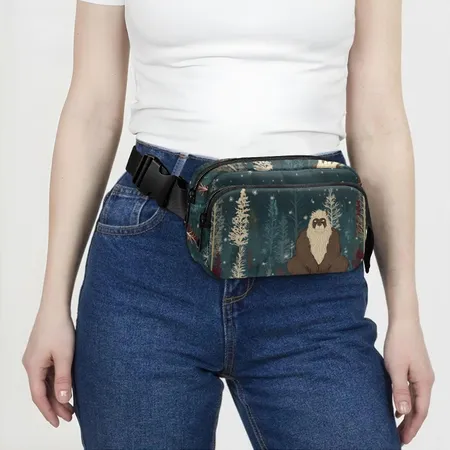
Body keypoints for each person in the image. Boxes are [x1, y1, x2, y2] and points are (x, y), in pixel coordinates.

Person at [22, 0, 435, 448]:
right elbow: (91, 111)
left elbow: (380, 123)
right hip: (150, 269)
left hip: (311, 272)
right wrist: (52, 305)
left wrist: (406, 317)